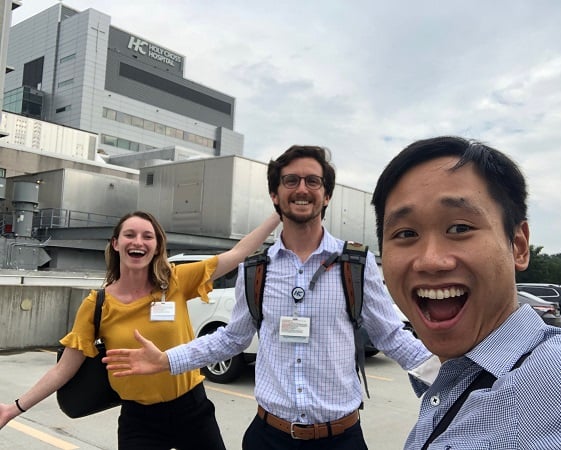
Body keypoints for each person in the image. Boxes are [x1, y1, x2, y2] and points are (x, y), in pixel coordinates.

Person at [103, 145, 439, 450]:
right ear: (275, 196)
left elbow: (392, 336)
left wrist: (455, 374)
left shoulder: (356, 263)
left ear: (326, 196)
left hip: (340, 438)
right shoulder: (255, 269)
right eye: (290, 181)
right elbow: (231, 339)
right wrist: (167, 360)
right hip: (269, 437)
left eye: (313, 181)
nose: (302, 189)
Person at [371, 136, 561, 449]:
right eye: (406, 233)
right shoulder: (456, 376)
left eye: (460, 228)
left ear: (518, 245)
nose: (431, 261)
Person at [0, 210, 280, 450]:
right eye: (130, 235)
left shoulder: (175, 281)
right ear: (116, 243)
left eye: (148, 236)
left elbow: (239, 253)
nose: (138, 242)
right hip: (139, 418)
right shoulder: (96, 304)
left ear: (157, 246)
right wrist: (14, 408)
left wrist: (278, 213)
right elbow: (63, 369)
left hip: (192, 409)